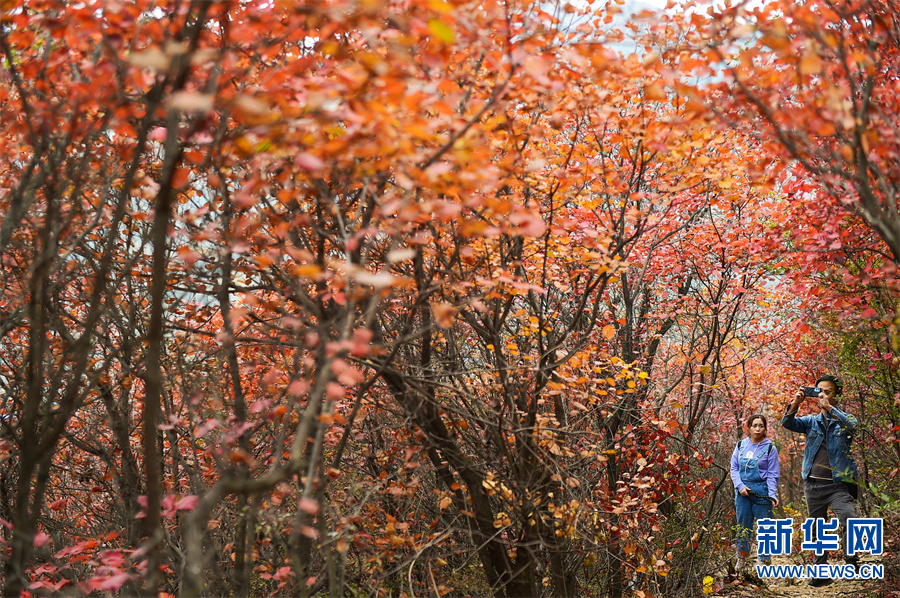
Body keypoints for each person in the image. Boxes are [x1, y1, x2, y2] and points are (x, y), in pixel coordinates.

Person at [782, 374, 859, 587]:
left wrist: (831, 409)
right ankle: (820, 572)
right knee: (817, 529)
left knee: (849, 519)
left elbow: (854, 426)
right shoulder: (811, 422)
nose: (823, 395)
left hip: (838, 484)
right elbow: (787, 423)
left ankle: (852, 564)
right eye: (820, 392)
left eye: (828, 392)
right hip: (813, 484)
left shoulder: (843, 420)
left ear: (837, 396)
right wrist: (795, 404)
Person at [730, 414, 780, 570]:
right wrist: (740, 486)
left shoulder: (770, 448)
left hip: (761, 491)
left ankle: (763, 560)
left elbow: (773, 473)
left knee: (765, 526)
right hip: (743, 492)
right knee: (743, 526)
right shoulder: (740, 445)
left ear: (765, 428)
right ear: (749, 427)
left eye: (761, 425)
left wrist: (772, 494)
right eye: (754, 425)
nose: (757, 429)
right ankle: (742, 558)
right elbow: (734, 468)